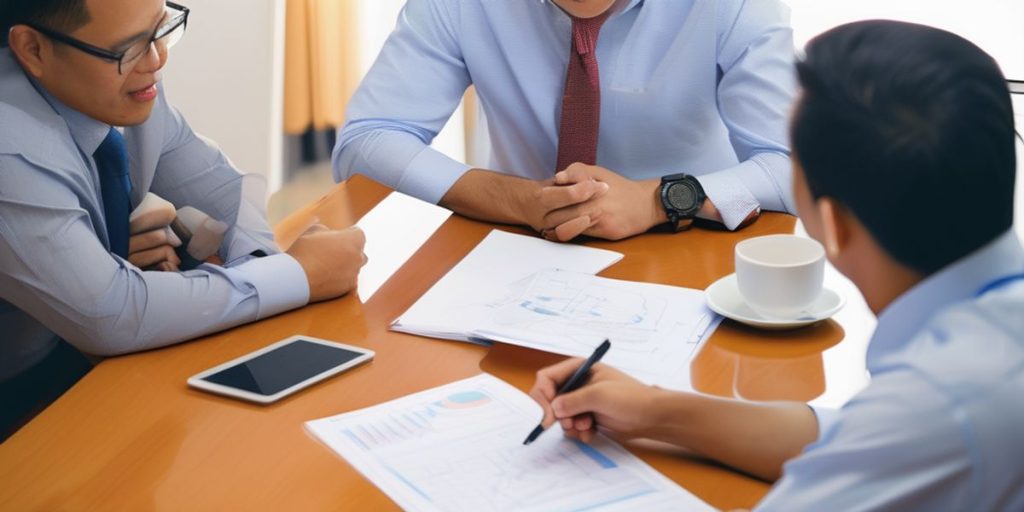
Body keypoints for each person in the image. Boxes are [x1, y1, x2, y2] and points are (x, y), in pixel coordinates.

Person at [529, 20, 1024, 510]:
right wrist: (654, 409)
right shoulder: (974, 360)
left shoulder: (944, 404)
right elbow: (854, 439)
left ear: (831, 222)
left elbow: (895, 437)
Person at [0, 0, 366, 439]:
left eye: (160, 29)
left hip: (88, 369)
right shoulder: (10, 145)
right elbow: (111, 314)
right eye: (129, 49)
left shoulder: (126, 80)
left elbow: (225, 193)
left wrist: (250, 271)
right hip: (21, 402)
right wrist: (298, 274)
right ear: (33, 49)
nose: (157, 60)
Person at [334, 0, 796, 242]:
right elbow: (365, 143)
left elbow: (796, 168)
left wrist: (659, 201)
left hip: (692, 240)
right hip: (518, 246)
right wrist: (518, 199)